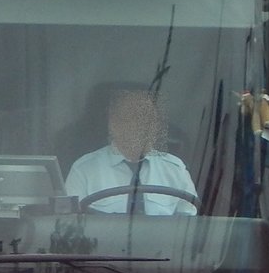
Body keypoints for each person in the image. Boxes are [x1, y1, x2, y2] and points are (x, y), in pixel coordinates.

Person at [64, 88, 197, 215]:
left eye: (149, 119)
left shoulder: (175, 169)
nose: (143, 126)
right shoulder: (84, 170)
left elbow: (190, 225)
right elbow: (70, 226)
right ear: (114, 124)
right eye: (134, 118)